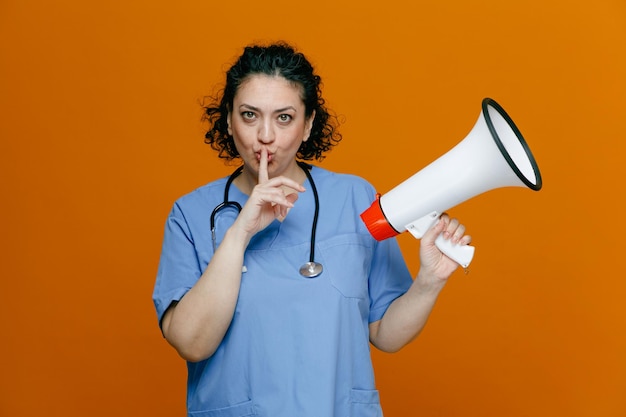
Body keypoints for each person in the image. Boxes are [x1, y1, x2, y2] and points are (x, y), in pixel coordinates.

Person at [153, 42, 472, 417]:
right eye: (250, 115)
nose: (266, 136)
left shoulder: (356, 198)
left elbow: (384, 333)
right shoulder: (191, 214)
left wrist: (429, 282)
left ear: (307, 126)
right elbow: (192, 343)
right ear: (228, 120)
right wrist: (240, 232)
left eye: (284, 117)